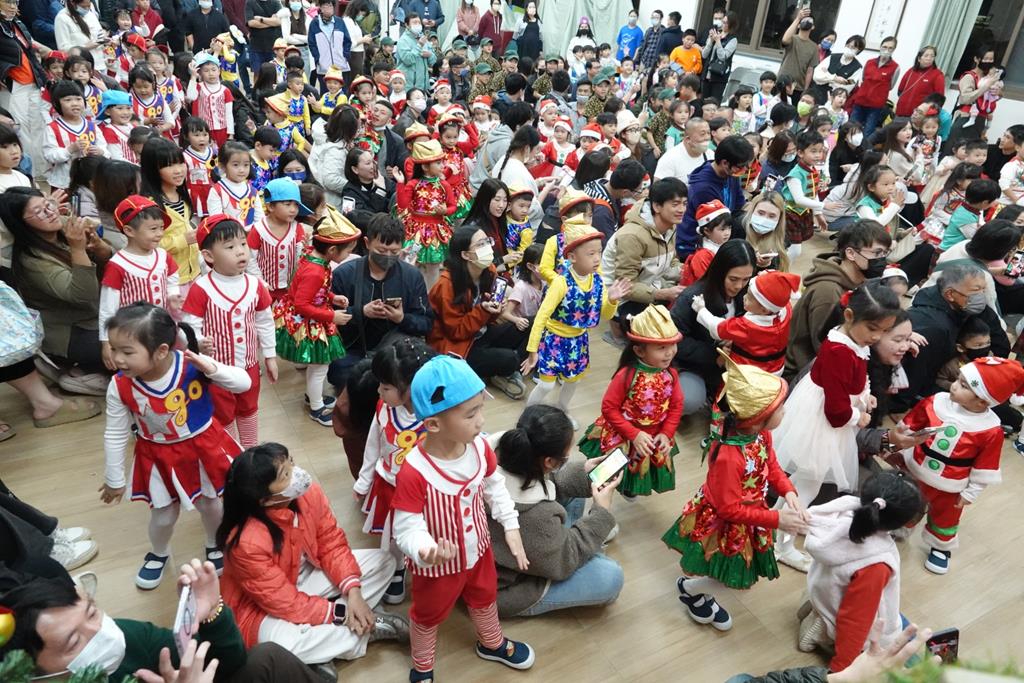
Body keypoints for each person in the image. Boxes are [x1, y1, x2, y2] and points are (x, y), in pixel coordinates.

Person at [391, 354, 535, 681]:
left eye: (481, 408)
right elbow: (406, 525)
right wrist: (425, 549)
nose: (481, 421)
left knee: (485, 596)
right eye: (471, 414)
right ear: (433, 424)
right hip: (436, 566)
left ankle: (491, 642)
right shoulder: (414, 471)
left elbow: (493, 484)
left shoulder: (480, 447)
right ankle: (422, 666)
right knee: (427, 614)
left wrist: (510, 524)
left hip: (479, 551)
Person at [215, 442, 405, 678]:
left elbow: (331, 542)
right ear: (264, 499)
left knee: (384, 562)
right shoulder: (246, 542)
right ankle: (367, 628)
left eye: (291, 462)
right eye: (286, 475)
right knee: (278, 646)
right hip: (262, 608)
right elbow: (285, 602)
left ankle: (325, 646)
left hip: (303, 579)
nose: (297, 473)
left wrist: (354, 593)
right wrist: (340, 613)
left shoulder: (309, 493)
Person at [99, 303, 247, 587]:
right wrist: (114, 478)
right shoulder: (119, 385)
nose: (117, 358)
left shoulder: (193, 365)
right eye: (114, 349)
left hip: (203, 448)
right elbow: (115, 433)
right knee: (163, 515)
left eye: (127, 352)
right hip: (157, 456)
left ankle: (214, 543)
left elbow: (243, 384)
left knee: (211, 505)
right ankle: (159, 551)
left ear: (161, 351)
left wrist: (212, 368)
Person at [662, 351, 809, 631]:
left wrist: (788, 491)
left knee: (726, 570)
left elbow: (771, 464)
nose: (785, 412)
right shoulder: (730, 457)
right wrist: (777, 519)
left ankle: (697, 591)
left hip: (749, 516)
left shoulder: (760, 434)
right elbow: (728, 509)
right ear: (755, 419)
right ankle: (690, 589)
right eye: (779, 408)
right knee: (727, 574)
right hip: (726, 520)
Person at [0, 558, 328, 682]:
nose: (98, 631)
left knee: (265, 658)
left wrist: (210, 613)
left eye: (92, 612)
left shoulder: (125, 635)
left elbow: (228, 664)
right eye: (74, 641)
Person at [773, 282, 901, 571]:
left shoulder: (853, 342)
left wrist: (865, 396)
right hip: (821, 422)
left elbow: (856, 378)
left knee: (802, 483)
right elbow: (835, 411)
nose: (877, 337)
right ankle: (782, 544)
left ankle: (775, 524)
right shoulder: (839, 351)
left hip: (827, 417)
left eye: (884, 331)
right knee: (807, 486)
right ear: (850, 316)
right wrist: (858, 417)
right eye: (873, 328)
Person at [490, 404, 624, 616]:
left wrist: (586, 472)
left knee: (577, 489)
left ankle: (585, 541)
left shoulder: (501, 449)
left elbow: (544, 479)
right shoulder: (535, 516)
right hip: (504, 589)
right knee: (611, 578)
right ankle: (588, 543)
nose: (566, 460)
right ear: (549, 461)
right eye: (564, 458)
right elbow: (563, 562)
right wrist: (601, 512)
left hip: (510, 547)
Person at [897, 356, 1022, 575]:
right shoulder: (935, 402)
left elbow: (985, 466)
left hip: (951, 487)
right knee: (907, 501)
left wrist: (971, 492)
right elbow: (910, 425)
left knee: (946, 517)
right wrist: (897, 444)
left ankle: (941, 547)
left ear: (982, 401)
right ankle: (900, 525)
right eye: (958, 379)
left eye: (964, 385)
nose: (954, 385)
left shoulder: (990, 430)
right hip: (915, 468)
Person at [798, 471, 925, 672]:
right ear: (905, 523)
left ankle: (817, 614)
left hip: (823, 590)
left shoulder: (841, 512)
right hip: (842, 614)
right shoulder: (875, 564)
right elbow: (855, 621)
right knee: (917, 665)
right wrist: (842, 669)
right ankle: (823, 628)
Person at [353, 338, 437, 606]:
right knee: (392, 535)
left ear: (411, 388)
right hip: (390, 485)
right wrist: (364, 480)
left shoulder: (436, 417)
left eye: (386, 387)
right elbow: (373, 444)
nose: (379, 391)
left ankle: (427, 571)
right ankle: (396, 569)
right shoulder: (384, 409)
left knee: (426, 531)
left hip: (426, 492)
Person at [181, 216, 276, 449]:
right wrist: (198, 343)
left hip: (249, 364)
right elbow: (190, 326)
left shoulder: (255, 285)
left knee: (249, 408)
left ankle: (250, 449)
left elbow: (265, 321)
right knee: (223, 413)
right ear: (209, 256)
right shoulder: (201, 288)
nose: (241, 251)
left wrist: (270, 356)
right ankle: (231, 452)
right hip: (217, 369)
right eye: (230, 247)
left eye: (243, 243)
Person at [1, 188, 112, 387]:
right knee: (132, 344)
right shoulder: (32, 260)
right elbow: (84, 295)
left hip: (94, 314)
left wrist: (102, 250)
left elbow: (111, 263)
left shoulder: (63, 226)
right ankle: (78, 371)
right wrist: (78, 249)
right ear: (21, 223)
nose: (50, 212)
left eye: (49, 204)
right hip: (70, 331)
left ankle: (89, 370)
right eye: (39, 212)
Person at [521, 220, 631, 420]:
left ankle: (563, 410)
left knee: (573, 381)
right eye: (591, 254)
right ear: (572, 256)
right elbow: (541, 317)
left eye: (599, 252)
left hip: (579, 341)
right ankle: (527, 416)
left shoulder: (597, 281)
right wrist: (532, 351)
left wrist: (612, 300)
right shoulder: (561, 282)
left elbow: (605, 315)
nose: (597, 258)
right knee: (546, 385)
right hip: (554, 339)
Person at [580, 304, 681, 497]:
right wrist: (633, 434)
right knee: (601, 479)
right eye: (662, 347)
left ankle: (628, 488)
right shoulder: (626, 375)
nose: (670, 352)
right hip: (622, 436)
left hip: (652, 438)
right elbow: (609, 408)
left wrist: (666, 432)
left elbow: (676, 406)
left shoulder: (671, 375)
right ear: (639, 351)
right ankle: (587, 498)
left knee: (635, 474)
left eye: (672, 345)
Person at [327, 214, 433, 391]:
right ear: (367, 243)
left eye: (394, 252)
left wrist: (402, 318)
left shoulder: (411, 276)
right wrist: (361, 312)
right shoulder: (344, 274)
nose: (388, 256)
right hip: (355, 349)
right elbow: (329, 320)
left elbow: (426, 323)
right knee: (340, 371)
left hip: (396, 351)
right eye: (382, 251)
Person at [275, 208, 361, 425]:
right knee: (320, 366)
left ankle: (313, 396)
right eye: (347, 251)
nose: (348, 256)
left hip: (314, 316)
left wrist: (333, 296)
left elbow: (315, 290)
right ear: (332, 250)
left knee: (317, 366)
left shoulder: (314, 259)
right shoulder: (315, 271)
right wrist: (332, 316)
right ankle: (316, 408)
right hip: (310, 322)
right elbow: (302, 304)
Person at [426, 225, 528, 398]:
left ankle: (497, 370)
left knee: (529, 325)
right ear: (465, 255)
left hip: (481, 332)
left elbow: (489, 317)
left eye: (487, 241)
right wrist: (482, 311)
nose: (488, 247)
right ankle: (499, 370)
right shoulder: (447, 284)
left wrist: (496, 310)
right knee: (510, 358)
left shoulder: (489, 271)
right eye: (481, 244)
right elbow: (456, 332)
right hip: (457, 345)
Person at [893, 262, 1010, 412]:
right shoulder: (934, 327)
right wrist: (900, 406)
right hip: (930, 384)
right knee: (1000, 411)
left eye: (983, 289)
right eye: (976, 290)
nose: (981, 296)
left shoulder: (967, 306)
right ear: (950, 294)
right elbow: (914, 372)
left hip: (961, 372)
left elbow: (1000, 343)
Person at [784, 220, 891, 377]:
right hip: (805, 371)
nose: (882, 259)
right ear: (851, 253)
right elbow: (825, 346)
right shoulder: (828, 291)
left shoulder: (861, 282)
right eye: (877, 253)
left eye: (885, 253)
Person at [671, 240, 755, 414]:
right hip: (693, 364)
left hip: (733, 363)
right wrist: (714, 355)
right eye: (733, 279)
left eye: (746, 279)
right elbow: (674, 339)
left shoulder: (749, 296)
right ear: (719, 272)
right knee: (689, 400)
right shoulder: (693, 297)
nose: (739, 286)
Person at [97, 196, 178, 369]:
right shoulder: (118, 264)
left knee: (161, 360)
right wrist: (106, 341)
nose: (160, 233)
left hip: (160, 325)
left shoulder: (162, 255)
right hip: (131, 330)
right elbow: (108, 305)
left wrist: (173, 294)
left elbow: (172, 277)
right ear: (129, 231)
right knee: (136, 364)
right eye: (153, 229)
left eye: (161, 228)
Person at [692, 270, 802, 376]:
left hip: (748, 373)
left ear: (764, 309)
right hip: (776, 367)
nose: (744, 297)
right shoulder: (785, 309)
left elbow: (717, 327)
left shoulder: (749, 326)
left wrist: (701, 310)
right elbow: (779, 289)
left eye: (749, 298)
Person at [606, 177, 686, 323]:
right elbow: (625, 286)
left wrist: (690, 271)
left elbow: (670, 262)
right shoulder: (632, 236)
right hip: (621, 300)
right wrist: (662, 294)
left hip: (650, 286)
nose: (682, 209)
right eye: (675, 204)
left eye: (684, 203)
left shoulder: (670, 226)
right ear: (657, 206)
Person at [677, 135, 754, 258]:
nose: (744, 170)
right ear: (725, 163)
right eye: (741, 166)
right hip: (697, 248)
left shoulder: (730, 174)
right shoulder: (703, 188)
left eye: (747, 166)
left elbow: (739, 206)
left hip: (721, 235)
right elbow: (714, 227)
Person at [397, 138, 456, 288]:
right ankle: (411, 292)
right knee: (411, 262)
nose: (443, 166)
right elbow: (403, 205)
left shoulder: (444, 185)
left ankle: (431, 295)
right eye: (438, 163)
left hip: (436, 232)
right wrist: (400, 183)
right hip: (415, 233)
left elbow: (453, 207)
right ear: (425, 166)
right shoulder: (413, 184)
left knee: (434, 266)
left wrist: (445, 211)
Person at [779, 130, 827, 261]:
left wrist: (818, 213)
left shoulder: (812, 170)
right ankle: (781, 268)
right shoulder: (795, 174)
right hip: (790, 214)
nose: (818, 155)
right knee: (794, 250)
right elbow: (799, 200)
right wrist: (824, 205)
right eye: (813, 151)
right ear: (800, 153)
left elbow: (813, 193)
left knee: (793, 248)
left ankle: (782, 267)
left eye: (820, 151)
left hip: (803, 213)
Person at [848, 36, 900, 139]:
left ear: (894, 50)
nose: (886, 50)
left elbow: (891, 86)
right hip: (860, 101)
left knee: (867, 133)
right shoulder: (869, 62)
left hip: (875, 106)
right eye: (884, 47)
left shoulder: (895, 67)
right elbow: (864, 78)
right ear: (880, 47)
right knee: (851, 129)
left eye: (890, 48)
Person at [681, 199, 732, 286]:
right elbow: (706, 284)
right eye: (722, 229)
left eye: (729, 228)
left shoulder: (723, 246)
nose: (727, 233)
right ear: (707, 231)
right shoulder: (702, 256)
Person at [654, 117, 710, 190]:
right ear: (688, 139)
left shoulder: (711, 155)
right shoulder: (669, 158)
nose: (707, 137)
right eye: (702, 134)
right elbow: (658, 190)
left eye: (708, 133)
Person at [778, 6, 817, 105]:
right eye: (804, 20)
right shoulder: (793, 39)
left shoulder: (814, 47)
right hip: (782, 83)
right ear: (798, 25)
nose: (806, 22)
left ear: (813, 27)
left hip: (798, 88)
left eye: (809, 21)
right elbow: (785, 40)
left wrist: (805, 90)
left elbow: (810, 70)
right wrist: (798, 18)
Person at [809, 35, 865, 104]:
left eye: (853, 47)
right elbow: (816, 76)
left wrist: (826, 74)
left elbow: (847, 87)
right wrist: (834, 78)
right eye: (848, 45)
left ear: (858, 51)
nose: (849, 48)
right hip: (816, 93)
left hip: (833, 100)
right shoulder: (832, 57)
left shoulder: (858, 67)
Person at [743, 193, 790, 272]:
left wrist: (765, 266)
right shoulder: (737, 228)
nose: (764, 220)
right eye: (760, 213)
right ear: (752, 211)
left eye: (772, 216)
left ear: (779, 219)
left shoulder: (781, 241)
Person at [895, 45, 944, 117]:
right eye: (926, 55)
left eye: (932, 56)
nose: (929, 58)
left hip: (919, 116)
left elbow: (939, 99)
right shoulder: (911, 71)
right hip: (900, 112)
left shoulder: (937, 75)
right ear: (919, 58)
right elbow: (900, 90)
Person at [700, 10, 737, 102]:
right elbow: (704, 55)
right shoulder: (716, 33)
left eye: (726, 23)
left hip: (719, 77)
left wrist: (718, 41)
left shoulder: (732, 39)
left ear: (731, 24)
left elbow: (723, 57)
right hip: (706, 74)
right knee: (703, 101)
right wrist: (710, 40)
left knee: (714, 102)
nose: (723, 24)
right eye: (723, 21)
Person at [396, 13, 436, 91]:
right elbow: (408, 60)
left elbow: (433, 61)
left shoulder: (423, 38)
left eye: (419, 22)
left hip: (423, 86)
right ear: (407, 25)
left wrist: (430, 55)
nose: (417, 25)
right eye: (414, 22)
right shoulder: (403, 40)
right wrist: (419, 45)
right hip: (408, 87)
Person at [245, 0, 284, 72]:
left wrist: (261, 19)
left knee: (274, 73)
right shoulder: (250, 2)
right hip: (256, 46)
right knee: (257, 73)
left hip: (274, 46)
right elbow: (251, 23)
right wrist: (271, 22)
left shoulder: (276, 3)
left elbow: (279, 21)